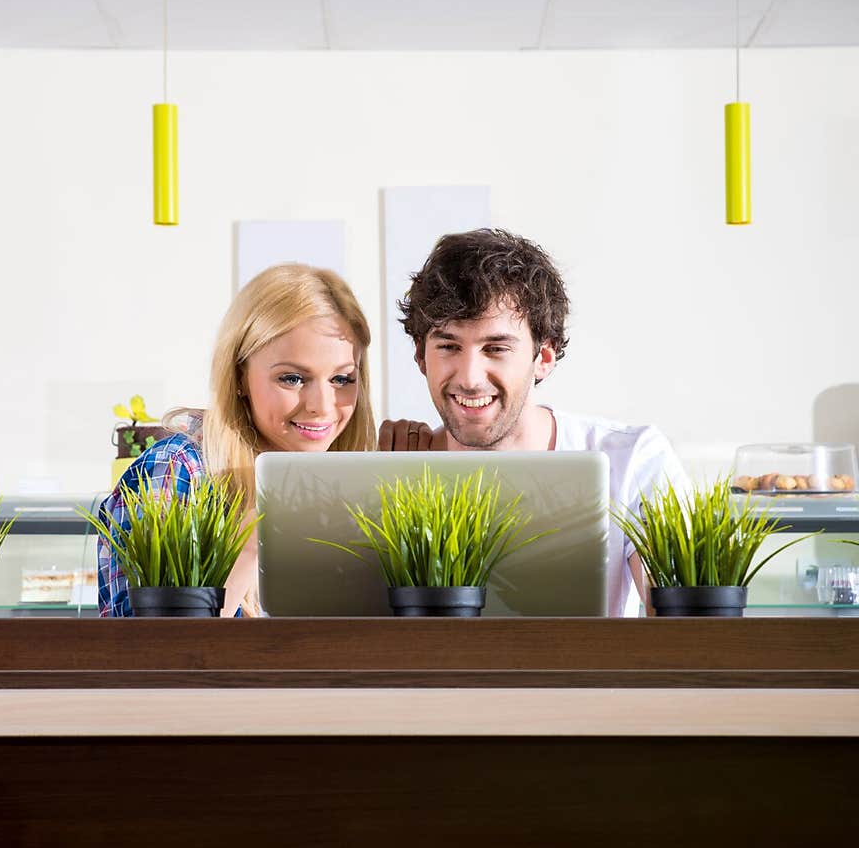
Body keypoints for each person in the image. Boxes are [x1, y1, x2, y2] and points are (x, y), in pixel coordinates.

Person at [379, 228, 690, 617]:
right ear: (422, 356)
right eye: (448, 346)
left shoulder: (632, 461)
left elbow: (684, 626)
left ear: (543, 357)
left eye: (496, 349)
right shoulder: (394, 464)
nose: (470, 377)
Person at [98, 263, 377, 617]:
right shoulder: (176, 470)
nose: (322, 407)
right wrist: (247, 548)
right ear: (239, 376)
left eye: (341, 379)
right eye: (292, 378)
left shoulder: (348, 483)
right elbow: (148, 660)